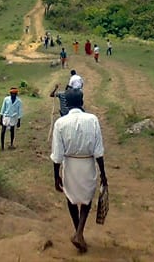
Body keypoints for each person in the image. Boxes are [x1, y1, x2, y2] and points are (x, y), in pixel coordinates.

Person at [51, 89, 108, 254]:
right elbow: (98, 151)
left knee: (71, 198)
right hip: (87, 163)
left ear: (66, 104)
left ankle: (78, 232)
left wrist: (56, 177)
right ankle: (79, 233)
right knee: (87, 199)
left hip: (69, 165)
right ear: (82, 101)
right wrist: (103, 174)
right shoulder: (93, 120)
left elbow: (57, 155)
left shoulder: (60, 123)